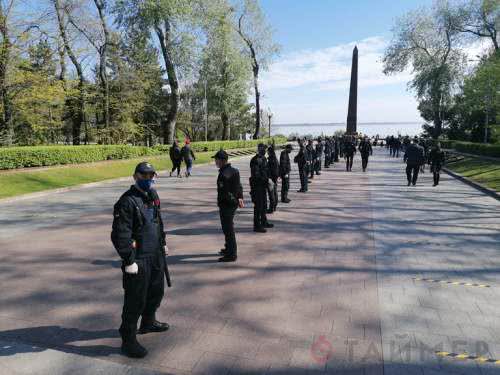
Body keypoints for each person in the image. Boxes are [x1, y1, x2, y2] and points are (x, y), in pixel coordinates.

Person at [111, 162, 169, 359]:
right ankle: (128, 338)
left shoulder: (153, 196)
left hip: (155, 255)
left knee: (156, 292)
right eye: (144, 175)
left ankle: (148, 322)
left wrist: (163, 243)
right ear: (135, 176)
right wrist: (129, 260)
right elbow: (120, 235)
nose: (149, 179)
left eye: (151, 175)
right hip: (139, 259)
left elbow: (158, 222)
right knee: (135, 300)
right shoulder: (126, 202)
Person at [213, 150, 244, 262]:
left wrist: (232, 201)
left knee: (228, 229)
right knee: (227, 228)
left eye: (216, 159)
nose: (215, 161)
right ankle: (228, 248)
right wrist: (239, 197)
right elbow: (239, 186)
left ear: (222, 161)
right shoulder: (234, 171)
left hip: (227, 205)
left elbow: (225, 192)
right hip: (231, 203)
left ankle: (232, 254)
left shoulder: (223, 174)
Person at [250, 144, 273, 233]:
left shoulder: (264, 159)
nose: (265, 150)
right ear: (259, 149)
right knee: (258, 206)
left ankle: (264, 221)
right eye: (263, 149)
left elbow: (266, 171)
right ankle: (257, 226)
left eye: (265, 149)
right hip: (257, 186)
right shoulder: (255, 160)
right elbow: (256, 175)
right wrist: (267, 180)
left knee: (264, 205)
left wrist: (269, 179)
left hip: (263, 185)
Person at [266, 144, 280, 214]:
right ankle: (274, 207)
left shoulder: (271, 159)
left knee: (271, 194)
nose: (267, 152)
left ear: (270, 152)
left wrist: (271, 178)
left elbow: (272, 170)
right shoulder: (275, 158)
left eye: (267, 151)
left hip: (271, 179)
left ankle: (272, 208)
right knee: (275, 193)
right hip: (275, 178)